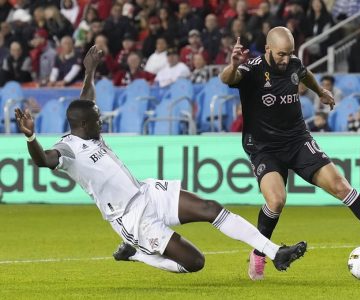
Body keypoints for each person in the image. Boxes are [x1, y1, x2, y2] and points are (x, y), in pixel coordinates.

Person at [14, 45, 307, 275]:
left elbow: (86, 99)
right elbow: (43, 160)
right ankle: (137, 253)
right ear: (83, 125)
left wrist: (90, 71)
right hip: (131, 218)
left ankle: (274, 252)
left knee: (210, 208)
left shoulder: (88, 130)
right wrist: (30, 137)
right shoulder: (67, 150)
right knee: (195, 262)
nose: (101, 121)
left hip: (146, 192)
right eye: (98, 119)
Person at [219, 27, 360, 281]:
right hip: (264, 147)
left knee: (342, 186)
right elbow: (227, 79)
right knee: (276, 201)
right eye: (281, 54)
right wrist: (232, 65)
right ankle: (259, 253)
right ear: (268, 50)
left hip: (297, 140)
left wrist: (320, 91)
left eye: (290, 53)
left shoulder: (293, 63)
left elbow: (304, 74)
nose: (287, 59)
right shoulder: (251, 69)